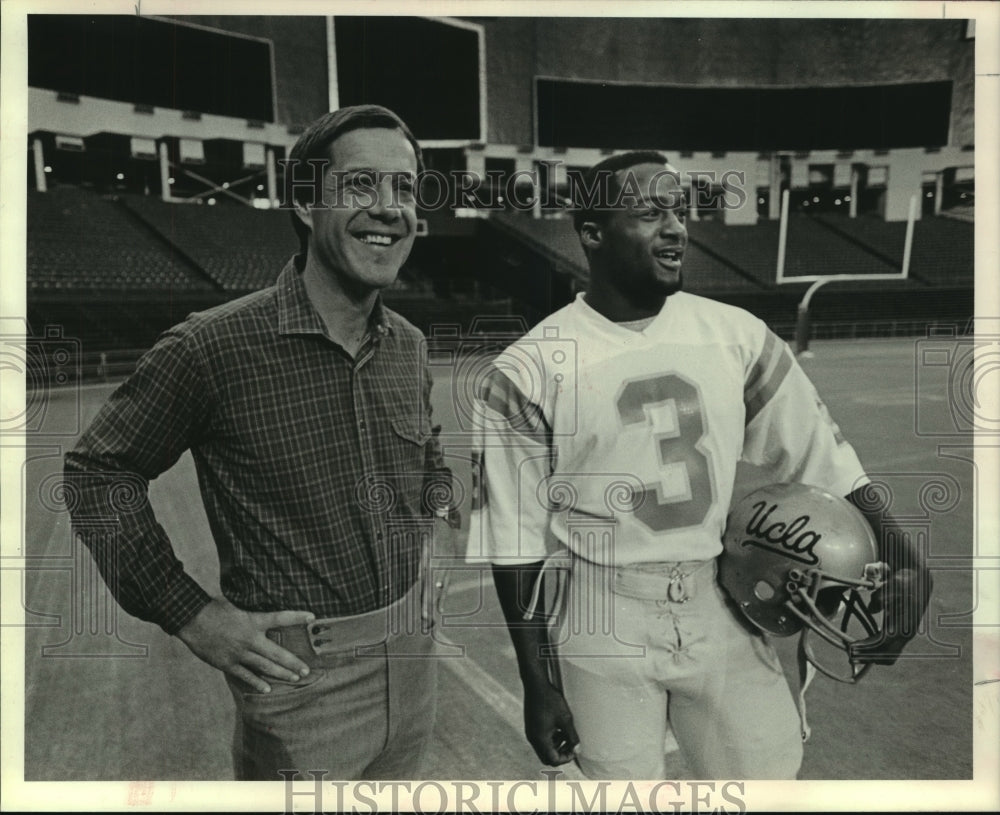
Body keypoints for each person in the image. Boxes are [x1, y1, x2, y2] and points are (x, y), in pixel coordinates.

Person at [469, 151, 931, 779]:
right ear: (592, 233)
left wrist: (907, 558)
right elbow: (514, 538)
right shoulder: (525, 370)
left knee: (765, 782)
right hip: (602, 612)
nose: (676, 227)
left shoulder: (737, 335)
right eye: (649, 212)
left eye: (679, 211)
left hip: (719, 598)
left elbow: (826, 460)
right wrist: (536, 679)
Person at [63, 105, 456, 781]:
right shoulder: (211, 347)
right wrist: (192, 613)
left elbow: (433, 456)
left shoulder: (410, 347)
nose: (391, 209)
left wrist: (443, 528)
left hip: (414, 661)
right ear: (306, 202)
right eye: (362, 185)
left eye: (406, 189)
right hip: (302, 686)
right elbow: (98, 471)